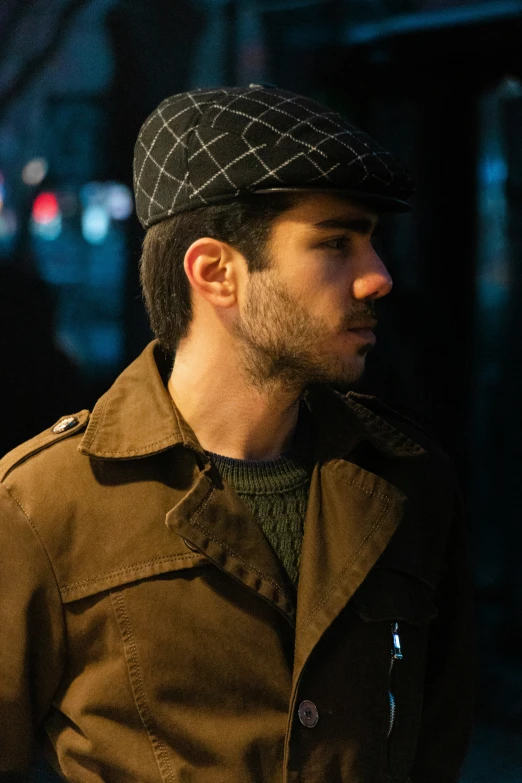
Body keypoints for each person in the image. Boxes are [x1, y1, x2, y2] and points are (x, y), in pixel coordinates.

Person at [0, 85, 473, 783]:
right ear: (217, 273)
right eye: (336, 244)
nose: (378, 277)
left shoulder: (408, 482)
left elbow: (438, 740)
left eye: (372, 242)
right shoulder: (43, 501)